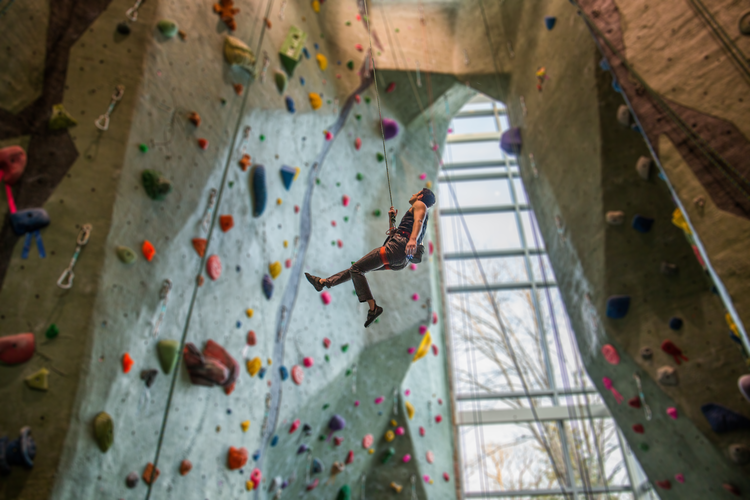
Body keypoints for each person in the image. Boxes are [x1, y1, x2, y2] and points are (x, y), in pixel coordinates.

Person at [305, 188, 436, 327]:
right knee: (356, 270)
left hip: (398, 248)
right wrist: (392, 220)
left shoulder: (420, 205)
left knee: (356, 269)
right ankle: (323, 282)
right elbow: (397, 232)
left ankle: (373, 308)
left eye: (416, 193)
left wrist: (412, 240)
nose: (412, 195)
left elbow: (418, 222)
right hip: (401, 260)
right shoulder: (419, 214)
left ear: (420, 196)